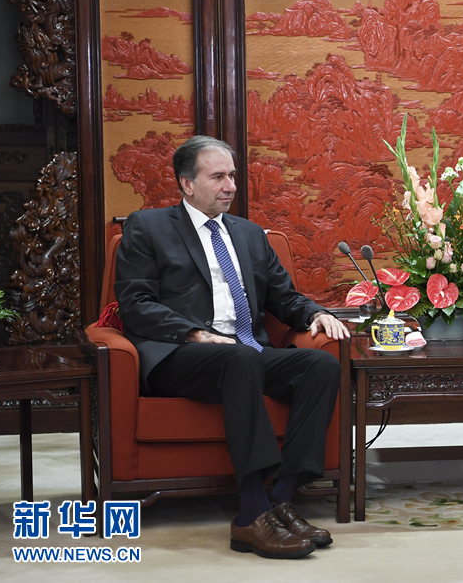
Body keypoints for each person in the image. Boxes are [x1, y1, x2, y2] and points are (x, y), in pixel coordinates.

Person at [115, 135, 351, 560]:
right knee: (240, 357)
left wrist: (316, 314)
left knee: (319, 366)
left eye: (233, 176)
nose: (231, 186)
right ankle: (250, 514)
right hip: (180, 355)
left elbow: (284, 297)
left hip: (243, 352)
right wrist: (193, 333)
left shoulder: (250, 234)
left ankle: (280, 500)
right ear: (187, 183)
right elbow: (136, 304)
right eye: (218, 177)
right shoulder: (147, 227)